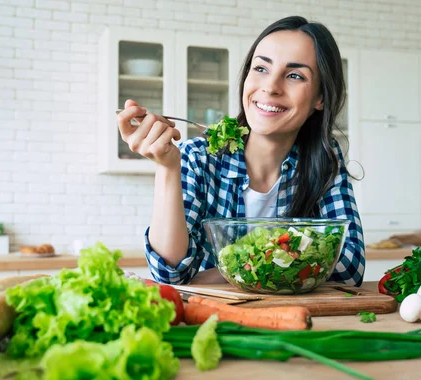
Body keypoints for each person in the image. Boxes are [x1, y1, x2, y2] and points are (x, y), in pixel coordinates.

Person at [116, 16, 365, 287]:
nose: (270, 87)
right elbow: (171, 274)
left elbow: (349, 266)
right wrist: (167, 168)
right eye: (261, 68)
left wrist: (226, 270)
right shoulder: (198, 157)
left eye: (294, 75)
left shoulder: (325, 160)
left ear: (320, 98)